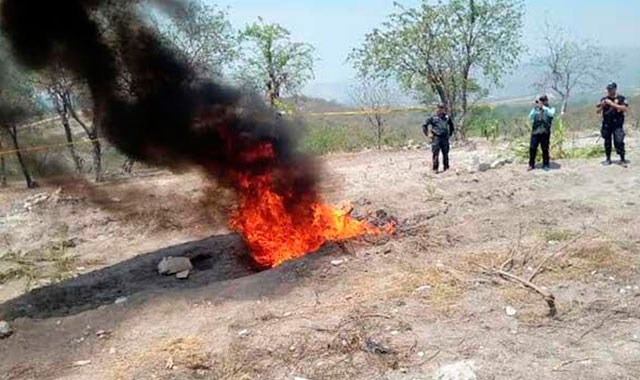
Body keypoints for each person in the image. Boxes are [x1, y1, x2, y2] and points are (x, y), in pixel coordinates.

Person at [597, 82, 629, 166]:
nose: (609, 91)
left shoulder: (621, 98)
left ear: (615, 89)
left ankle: (622, 159)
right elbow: (598, 111)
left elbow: (624, 108)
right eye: (608, 89)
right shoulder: (604, 99)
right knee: (607, 141)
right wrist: (602, 105)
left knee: (619, 141)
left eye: (611, 89)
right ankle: (608, 159)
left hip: (617, 124)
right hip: (607, 124)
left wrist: (612, 104)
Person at [422, 103, 455, 173]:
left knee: (445, 153)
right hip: (436, 137)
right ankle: (435, 168)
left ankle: (446, 168)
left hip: (445, 138)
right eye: (439, 108)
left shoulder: (446, 117)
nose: (440, 109)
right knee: (435, 153)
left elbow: (451, 126)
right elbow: (424, 125)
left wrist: (450, 134)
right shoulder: (433, 117)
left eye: (442, 108)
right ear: (437, 109)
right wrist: (428, 134)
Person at [528, 95, 556, 171]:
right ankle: (531, 164)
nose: (541, 102)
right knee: (532, 148)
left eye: (543, 101)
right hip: (535, 132)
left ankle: (546, 164)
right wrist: (535, 108)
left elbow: (551, 114)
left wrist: (543, 107)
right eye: (541, 101)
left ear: (546, 101)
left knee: (545, 149)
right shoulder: (536, 109)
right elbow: (530, 117)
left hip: (545, 132)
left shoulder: (550, 109)